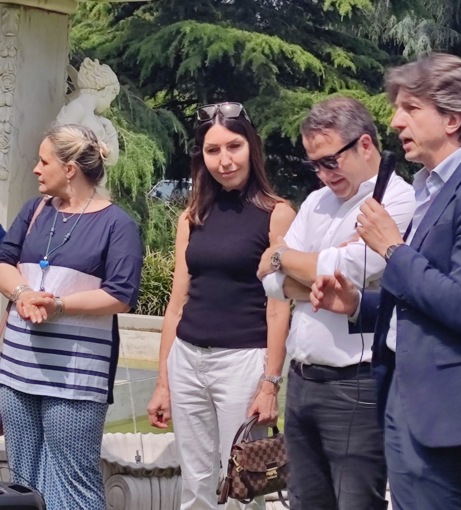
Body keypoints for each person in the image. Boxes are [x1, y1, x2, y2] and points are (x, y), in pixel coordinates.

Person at [310, 53, 461, 510]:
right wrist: (356, 304)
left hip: (447, 408)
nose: (396, 121)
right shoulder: (427, 187)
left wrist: (392, 249)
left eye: (411, 108)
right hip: (406, 393)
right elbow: (417, 300)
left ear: (453, 119)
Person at [257, 96, 415, 509]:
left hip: (356, 382)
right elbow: (270, 281)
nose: (324, 174)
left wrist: (282, 255)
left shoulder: (397, 200)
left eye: (330, 161)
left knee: (356, 502)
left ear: (364, 144)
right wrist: (301, 267)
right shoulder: (316, 201)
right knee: (304, 502)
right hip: (302, 379)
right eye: (315, 165)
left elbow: (347, 271)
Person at [146, 101, 295, 510]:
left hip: (242, 363)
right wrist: (163, 383)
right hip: (187, 359)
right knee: (195, 485)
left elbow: (278, 307)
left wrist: (270, 384)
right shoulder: (192, 216)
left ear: (251, 147)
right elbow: (177, 304)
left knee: (242, 487)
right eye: (213, 150)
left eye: (234, 146)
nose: (224, 160)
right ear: (202, 156)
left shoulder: (277, 214)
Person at [0, 124, 143, 509]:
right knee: (22, 483)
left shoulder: (118, 225)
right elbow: (4, 261)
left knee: (73, 482)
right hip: (17, 371)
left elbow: (121, 295)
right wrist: (24, 293)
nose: (35, 169)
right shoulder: (34, 211)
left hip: (76, 379)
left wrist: (59, 305)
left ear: (69, 169)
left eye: (43, 161)